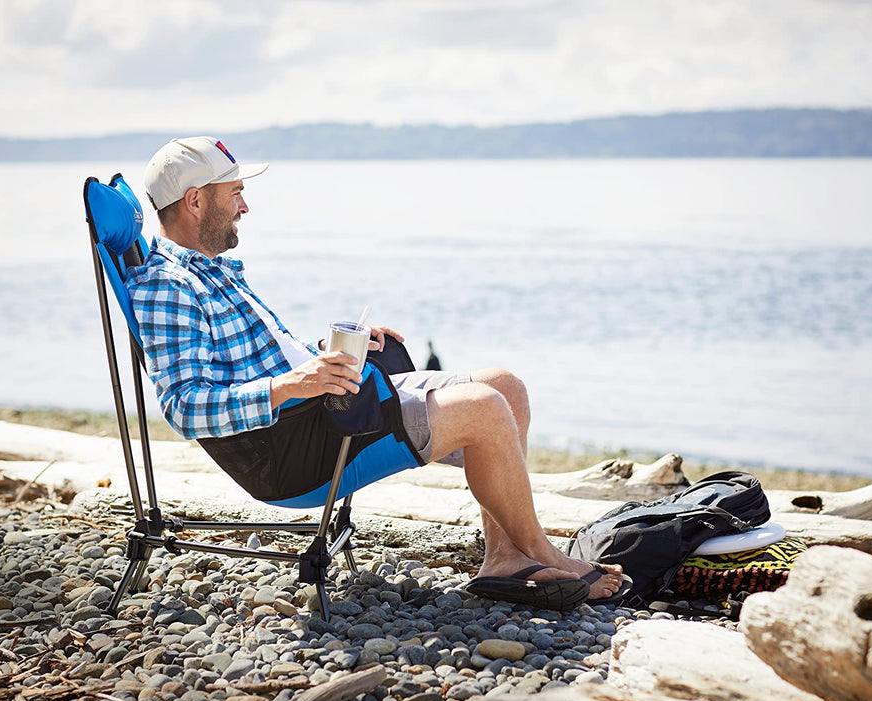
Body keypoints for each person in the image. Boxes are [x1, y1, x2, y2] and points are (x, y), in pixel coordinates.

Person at [128, 137, 623, 606]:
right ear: (195, 202)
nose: (245, 206)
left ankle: (504, 558)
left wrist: (335, 352)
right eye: (235, 193)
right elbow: (185, 407)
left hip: (320, 414)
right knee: (484, 408)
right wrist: (293, 385)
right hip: (294, 451)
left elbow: (276, 359)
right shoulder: (168, 287)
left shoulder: (209, 270)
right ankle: (544, 552)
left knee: (503, 386)